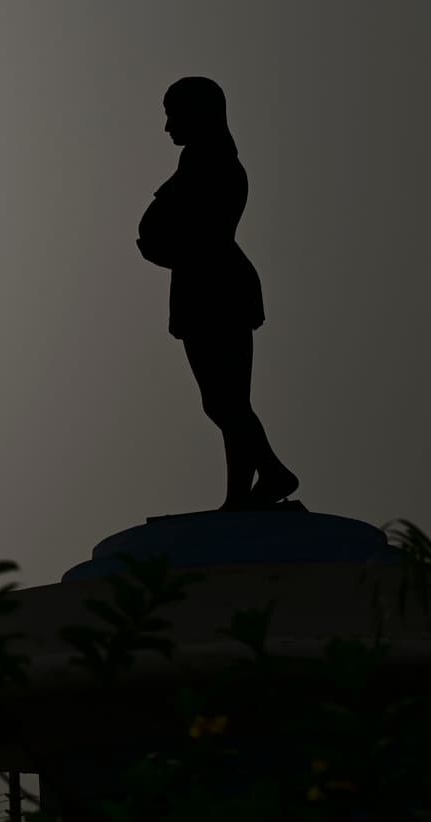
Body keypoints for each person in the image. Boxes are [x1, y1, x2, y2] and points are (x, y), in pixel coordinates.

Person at [137, 76, 298, 511]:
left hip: (215, 287)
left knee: (224, 401)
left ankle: (273, 472)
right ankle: (239, 497)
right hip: (206, 285)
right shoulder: (200, 164)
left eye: (173, 114)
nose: (167, 126)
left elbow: (198, 233)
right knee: (226, 401)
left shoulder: (213, 165)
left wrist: (159, 242)